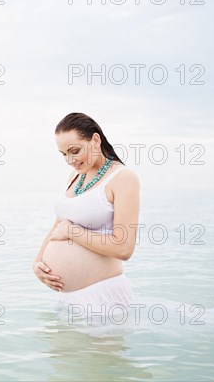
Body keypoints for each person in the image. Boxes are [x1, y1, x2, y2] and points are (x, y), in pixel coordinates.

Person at [32, 112, 141, 323]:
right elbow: (60, 223)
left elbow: (124, 248)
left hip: (103, 300)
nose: (70, 161)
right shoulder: (75, 176)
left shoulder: (123, 178)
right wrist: (37, 263)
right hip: (68, 299)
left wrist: (73, 232)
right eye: (63, 154)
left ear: (95, 140)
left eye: (75, 151)